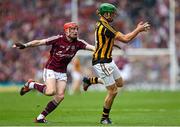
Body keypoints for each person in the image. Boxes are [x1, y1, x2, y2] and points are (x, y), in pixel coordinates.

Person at [13, 22, 95, 123]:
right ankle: (31, 84)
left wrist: (102, 50)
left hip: (62, 72)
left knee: (60, 96)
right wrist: (25, 45)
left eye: (76, 29)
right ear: (66, 31)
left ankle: (40, 117)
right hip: (51, 68)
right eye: (72, 29)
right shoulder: (58, 39)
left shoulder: (79, 43)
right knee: (50, 92)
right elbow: (39, 42)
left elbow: (92, 48)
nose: (75, 31)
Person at [82, 3, 150, 124]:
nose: (114, 15)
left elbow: (103, 40)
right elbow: (126, 39)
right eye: (112, 13)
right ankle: (104, 118)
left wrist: (110, 44)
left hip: (108, 59)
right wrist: (138, 30)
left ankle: (90, 80)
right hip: (101, 61)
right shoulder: (106, 27)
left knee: (120, 83)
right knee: (113, 91)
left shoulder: (101, 23)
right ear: (106, 14)